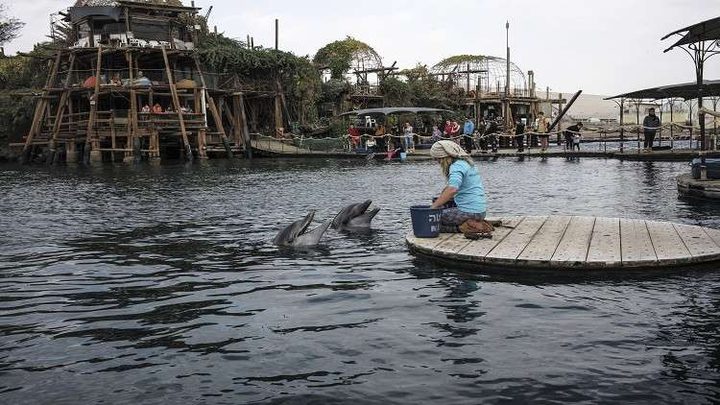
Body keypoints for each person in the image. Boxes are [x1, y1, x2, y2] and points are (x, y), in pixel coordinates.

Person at [429, 140, 491, 239]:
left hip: (469, 211)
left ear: (443, 157)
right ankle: (474, 222)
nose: (437, 162)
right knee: (440, 211)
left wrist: (433, 207)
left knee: (431, 221)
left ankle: (465, 227)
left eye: (437, 159)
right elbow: (454, 187)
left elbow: (452, 189)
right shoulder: (467, 163)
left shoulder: (456, 167)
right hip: (480, 211)